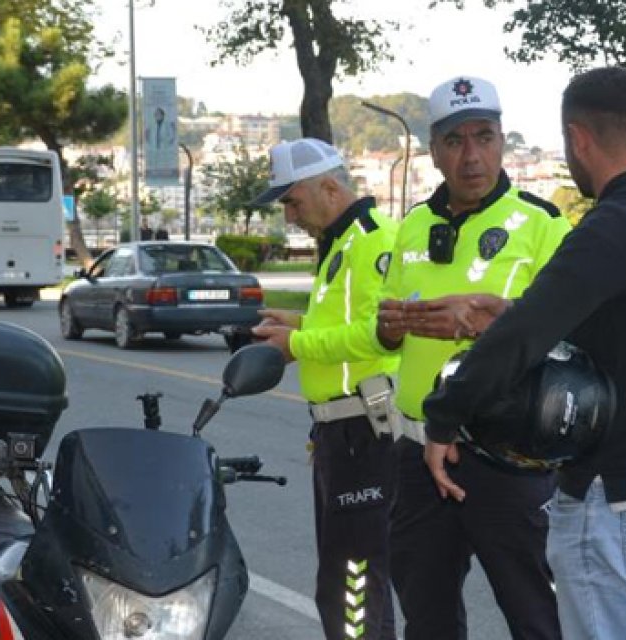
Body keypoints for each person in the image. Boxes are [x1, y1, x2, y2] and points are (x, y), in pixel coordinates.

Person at [417, 66, 626, 640]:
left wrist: (443, 417)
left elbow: (523, 342)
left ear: (578, 139)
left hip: (618, 490)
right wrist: (510, 313)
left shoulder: (618, 224)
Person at [375, 76, 571, 640]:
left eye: (483, 138)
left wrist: (497, 316)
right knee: (427, 617)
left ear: (503, 141)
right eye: (455, 141)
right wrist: (387, 330)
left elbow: (573, 331)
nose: (471, 156)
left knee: (536, 615)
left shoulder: (542, 223)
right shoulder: (410, 224)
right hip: (417, 452)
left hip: (507, 456)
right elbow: (392, 330)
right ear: (434, 151)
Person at [249, 138, 401, 640]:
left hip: (365, 429)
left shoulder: (373, 240)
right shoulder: (341, 243)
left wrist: (299, 343)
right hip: (341, 433)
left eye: (291, 200)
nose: (289, 215)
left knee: (351, 583)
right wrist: (300, 320)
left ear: (330, 187)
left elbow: (379, 332)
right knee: (355, 578)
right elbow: (347, 320)